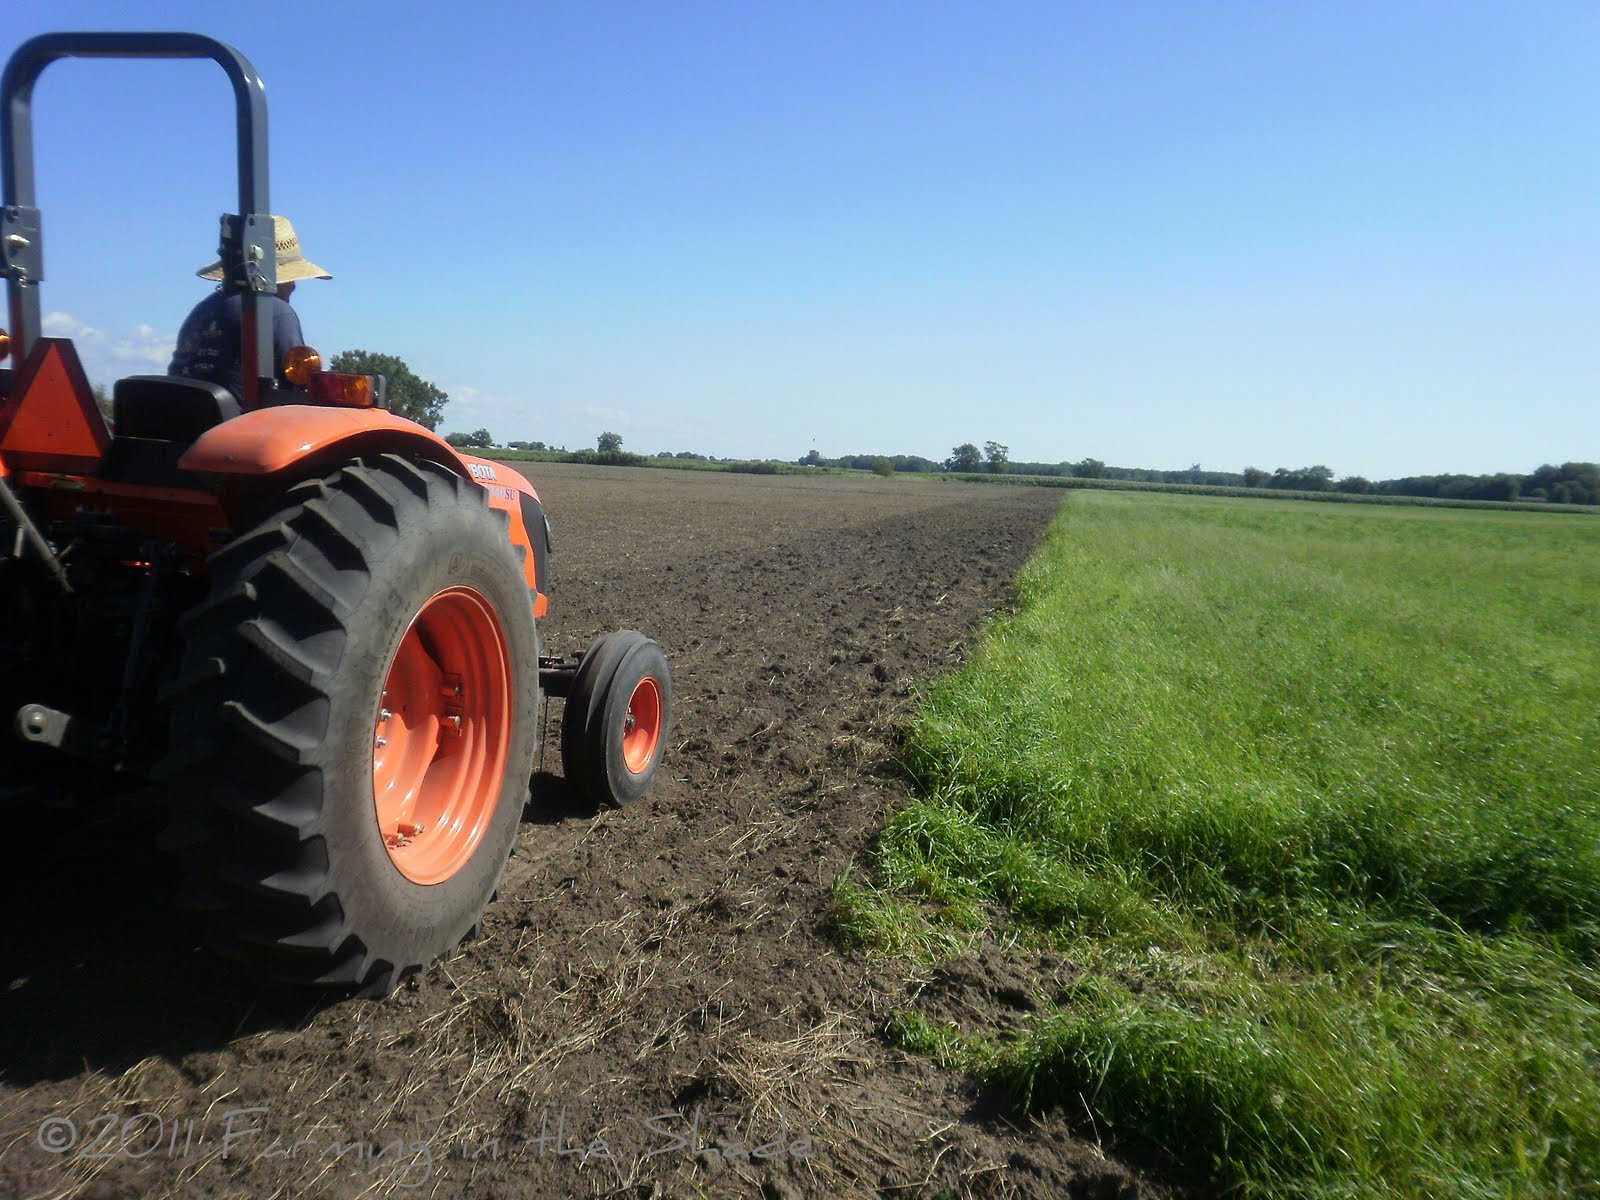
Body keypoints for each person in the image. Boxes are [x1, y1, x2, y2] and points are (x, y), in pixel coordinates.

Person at [168, 214, 332, 401]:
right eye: (291, 280)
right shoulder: (276, 313)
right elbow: (299, 389)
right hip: (239, 426)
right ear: (278, 278)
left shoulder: (201, 311)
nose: (294, 286)